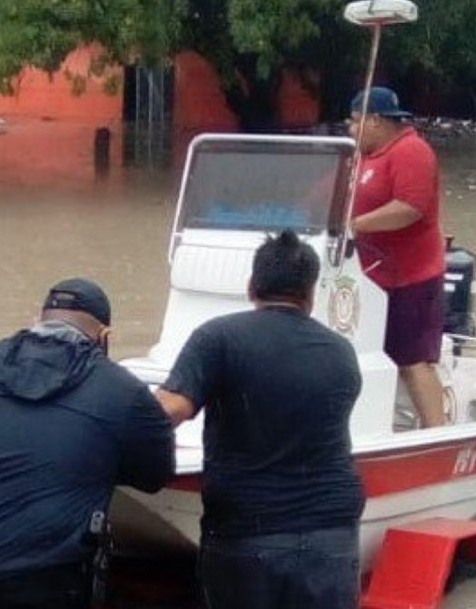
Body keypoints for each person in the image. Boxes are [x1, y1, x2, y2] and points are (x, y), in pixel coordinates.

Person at [0, 278, 174, 609]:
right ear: (105, 337)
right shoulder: (122, 390)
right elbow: (154, 476)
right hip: (43, 581)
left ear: (37, 321)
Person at [155, 230, 365, 609]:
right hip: (331, 537)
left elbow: (168, 411)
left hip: (247, 535)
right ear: (310, 294)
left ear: (252, 286)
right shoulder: (341, 352)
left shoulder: (218, 338)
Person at [348, 86, 447, 427]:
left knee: (412, 359)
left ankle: (437, 432)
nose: (350, 128)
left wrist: (354, 224)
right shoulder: (361, 157)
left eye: (354, 121)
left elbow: (410, 208)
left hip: (411, 275)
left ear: (375, 121)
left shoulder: (411, 151)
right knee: (370, 354)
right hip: (370, 275)